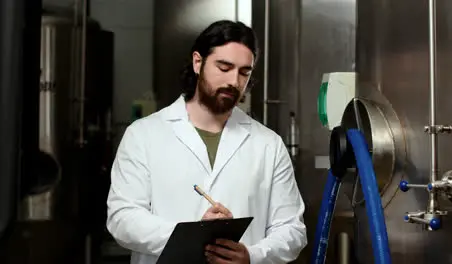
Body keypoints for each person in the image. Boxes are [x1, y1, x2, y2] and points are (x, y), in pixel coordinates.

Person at [106, 20, 307, 264]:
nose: (234, 81)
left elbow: (293, 231)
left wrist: (252, 255)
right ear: (197, 62)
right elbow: (122, 219)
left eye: (244, 72)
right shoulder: (144, 135)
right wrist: (192, 235)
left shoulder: (268, 144)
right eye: (224, 67)